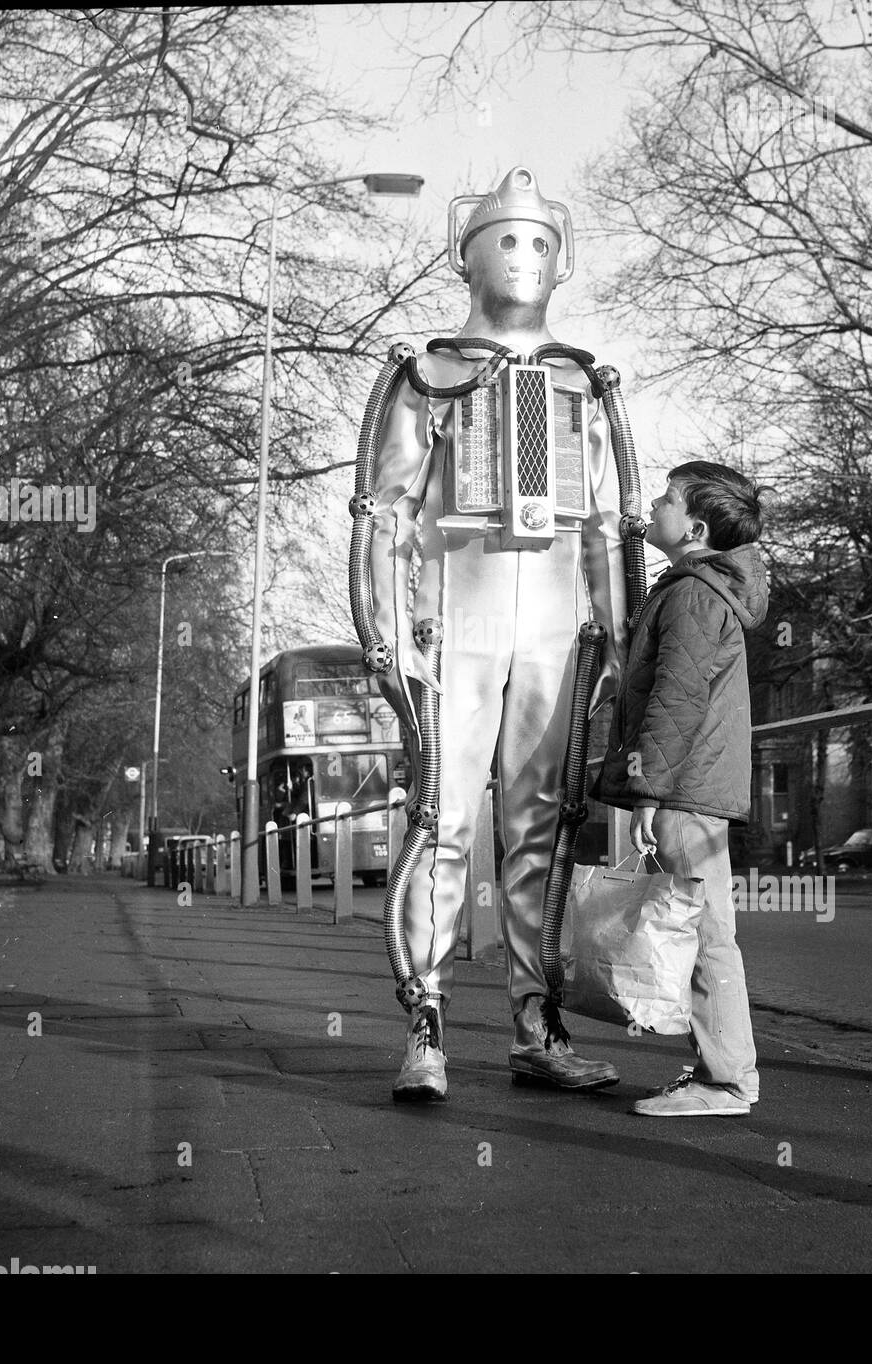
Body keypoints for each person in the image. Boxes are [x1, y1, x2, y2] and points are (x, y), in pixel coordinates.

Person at [355, 167, 645, 1102]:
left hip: (556, 638)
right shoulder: (424, 373)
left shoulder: (584, 381)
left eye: (540, 241)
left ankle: (535, 1021)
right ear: (465, 252)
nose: (523, 256)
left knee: (542, 829)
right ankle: (426, 1019)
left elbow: (610, 527)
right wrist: (389, 633)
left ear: (562, 261)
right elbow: (384, 513)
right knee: (442, 822)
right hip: (457, 629)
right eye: (505, 238)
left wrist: (620, 643)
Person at [593, 461, 768, 1116]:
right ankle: (721, 1075)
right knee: (705, 929)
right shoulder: (693, 587)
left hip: (688, 790)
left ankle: (723, 1083)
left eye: (667, 498)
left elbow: (676, 701)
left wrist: (647, 789)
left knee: (702, 932)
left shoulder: (694, 596)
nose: (654, 507)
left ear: (693, 528)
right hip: (695, 787)